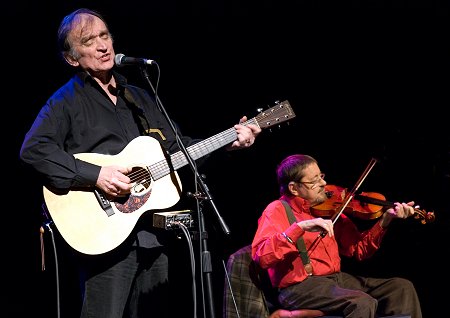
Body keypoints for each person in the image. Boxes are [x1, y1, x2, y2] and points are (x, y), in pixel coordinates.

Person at [19, 8, 261, 318]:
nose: (102, 45)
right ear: (71, 57)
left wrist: (229, 140)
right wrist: (96, 175)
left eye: (104, 36)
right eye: (89, 40)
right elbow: (33, 150)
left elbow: (178, 149)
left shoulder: (140, 97)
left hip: (151, 233)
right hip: (103, 236)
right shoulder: (66, 101)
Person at [251, 154, 422, 318]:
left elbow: (358, 249)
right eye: (314, 181)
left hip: (335, 281)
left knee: (401, 288)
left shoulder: (327, 209)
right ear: (294, 188)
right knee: (361, 302)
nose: (324, 183)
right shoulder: (277, 210)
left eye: (321, 176)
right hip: (299, 287)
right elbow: (262, 256)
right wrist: (300, 227)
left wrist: (385, 220)